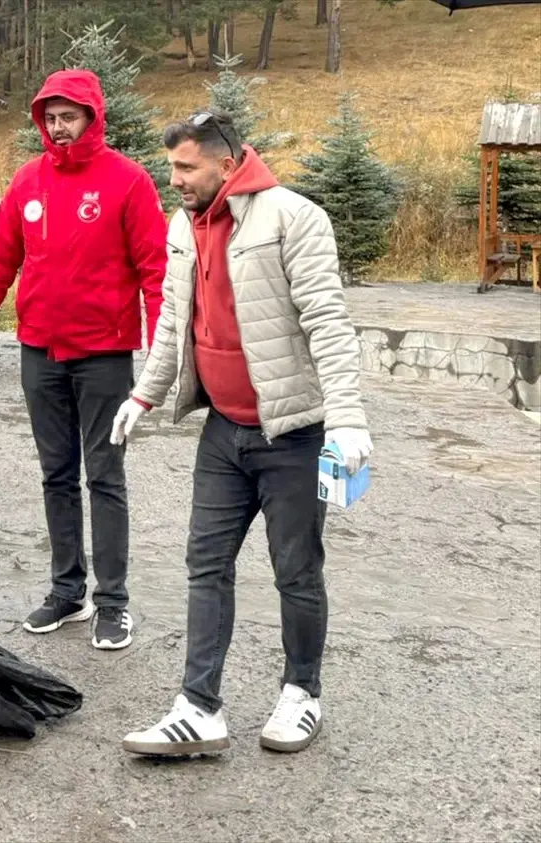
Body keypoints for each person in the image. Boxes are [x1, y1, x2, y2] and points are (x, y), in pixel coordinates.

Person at [111, 110, 373, 756]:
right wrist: (145, 392)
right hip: (224, 432)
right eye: (170, 165)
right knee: (205, 563)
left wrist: (347, 418)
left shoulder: (294, 218)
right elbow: (175, 319)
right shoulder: (183, 226)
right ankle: (200, 707)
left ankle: (301, 692)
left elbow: (329, 325)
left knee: (296, 570)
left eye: (185, 167)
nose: (172, 179)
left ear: (227, 164)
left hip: (295, 435)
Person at [0, 69, 168, 651]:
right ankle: (67, 591)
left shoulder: (129, 181)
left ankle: (112, 602)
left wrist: (162, 355)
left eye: (68, 116)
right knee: (56, 475)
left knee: (106, 477)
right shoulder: (28, 182)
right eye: (49, 116)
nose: (57, 126)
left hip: (105, 355)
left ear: (93, 116)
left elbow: (155, 272)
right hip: (40, 352)